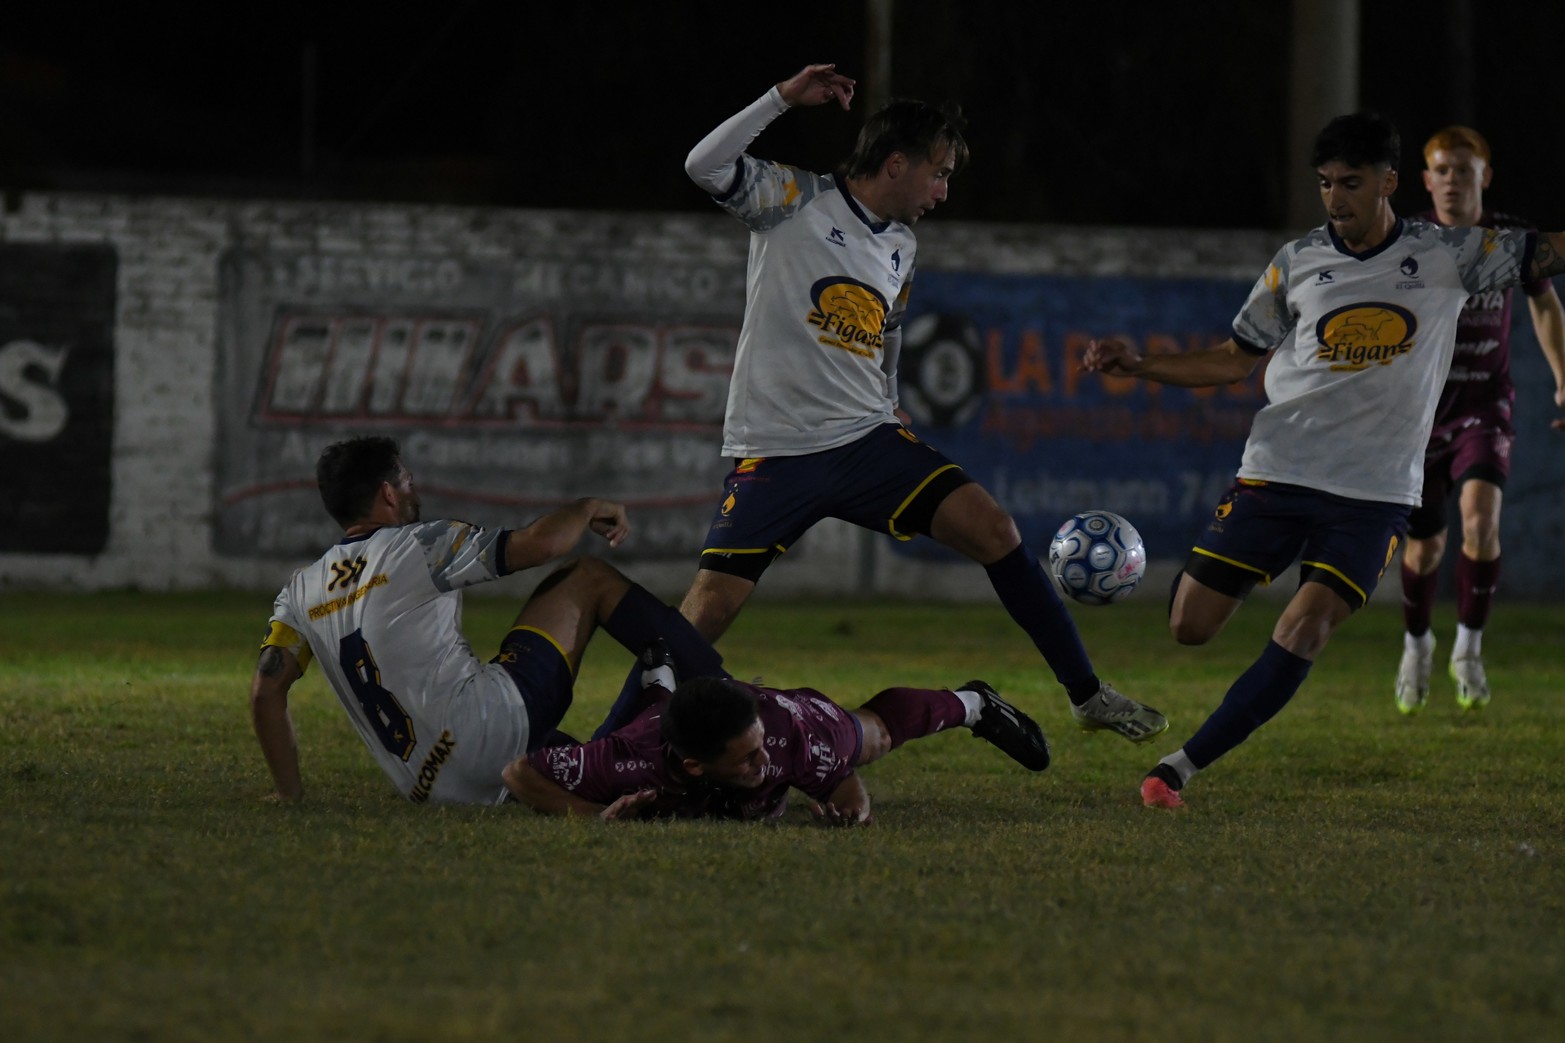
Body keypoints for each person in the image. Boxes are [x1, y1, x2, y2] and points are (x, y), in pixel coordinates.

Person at [593, 62, 1167, 746]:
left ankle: (1086, 693)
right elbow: (702, 163)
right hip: (779, 449)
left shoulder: (900, 245)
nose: (943, 191)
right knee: (705, 611)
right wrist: (781, 98)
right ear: (896, 163)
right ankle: (602, 745)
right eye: (939, 172)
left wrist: (890, 401)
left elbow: (885, 333)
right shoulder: (792, 200)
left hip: (866, 440)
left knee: (996, 531)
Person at [1081, 112, 1565, 808]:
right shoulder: (1296, 260)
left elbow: (1547, 254)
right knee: (1189, 625)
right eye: (1325, 184)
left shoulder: (1449, 253)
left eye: (1350, 183)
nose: (1335, 199)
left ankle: (1177, 769)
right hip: (1276, 472)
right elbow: (1230, 360)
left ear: (1389, 183)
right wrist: (1141, 364)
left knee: (1304, 627)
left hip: (1371, 495)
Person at [248, 435, 721, 805]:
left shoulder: (301, 589)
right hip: (488, 737)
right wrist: (587, 507)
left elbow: (267, 690)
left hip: (432, 788)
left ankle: (617, 770)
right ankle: (733, 697)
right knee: (588, 576)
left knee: (572, 751)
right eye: (408, 481)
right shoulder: (418, 543)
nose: (416, 490)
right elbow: (542, 546)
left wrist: (288, 793)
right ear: (388, 494)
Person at [1393, 125, 1565, 714]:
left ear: (1484, 178)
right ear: (1426, 180)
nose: (1450, 181)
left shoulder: (1511, 239)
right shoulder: (1407, 239)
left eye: (1462, 171)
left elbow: (1544, 301)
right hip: (1421, 415)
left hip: (1485, 406)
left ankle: (1468, 649)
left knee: (1481, 523)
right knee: (1423, 552)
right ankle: (1417, 645)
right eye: (1440, 170)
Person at [504, 663, 1052, 824]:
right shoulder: (627, 761)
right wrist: (589, 816)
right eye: (746, 758)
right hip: (668, 730)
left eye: (757, 748)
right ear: (694, 765)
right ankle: (660, 681)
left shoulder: (794, 742)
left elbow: (849, 794)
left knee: (873, 736)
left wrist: (850, 817)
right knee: (655, 715)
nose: (764, 763)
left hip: (793, 717)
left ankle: (974, 703)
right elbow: (520, 773)